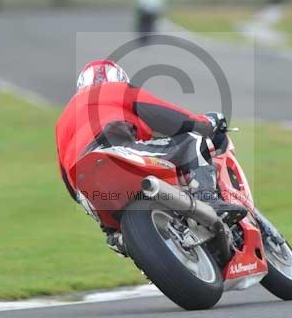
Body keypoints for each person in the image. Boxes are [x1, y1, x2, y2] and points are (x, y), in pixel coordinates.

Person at [55, 59, 248, 245]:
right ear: (120, 79)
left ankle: (118, 237)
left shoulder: (63, 120)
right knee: (193, 139)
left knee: (115, 229)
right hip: (115, 148)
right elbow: (169, 117)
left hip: (84, 181)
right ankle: (208, 198)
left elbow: (65, 177)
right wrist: (208, 123)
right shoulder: (117, 89)